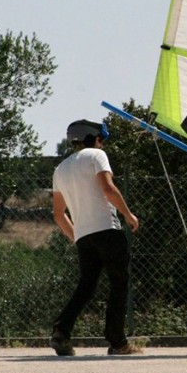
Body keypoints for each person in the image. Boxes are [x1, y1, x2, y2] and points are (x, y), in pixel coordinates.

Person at [49, 119, 142, 356]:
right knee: (119, 284)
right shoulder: (96, 156)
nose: (102, 145)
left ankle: (61, 332)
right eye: (101, 139)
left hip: (84, 237)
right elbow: (108, 189)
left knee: (86, 286)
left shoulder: (60, 170)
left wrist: (77, 237)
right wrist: (128, 215)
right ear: (93, 138)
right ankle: (118, 342)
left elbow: (58, 215)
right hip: (108, 230)